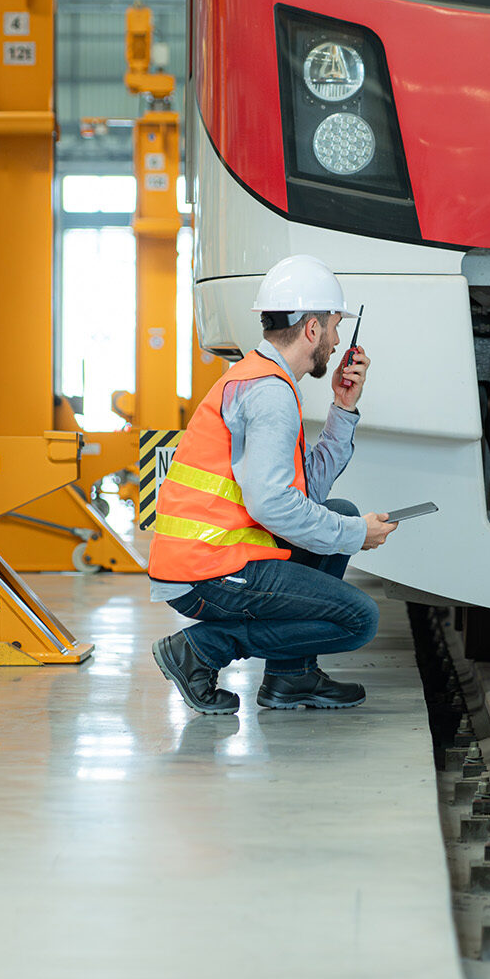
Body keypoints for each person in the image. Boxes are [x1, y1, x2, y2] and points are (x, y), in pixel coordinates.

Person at [147, 255, 399, 714]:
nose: (337, 341)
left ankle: (291, 676)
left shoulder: (267, 380)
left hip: (215, 556)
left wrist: (343, 407)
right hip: (209, 570)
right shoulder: (269, 393)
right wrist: (356, 535)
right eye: (335, 327)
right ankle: (201, 649)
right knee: (358, 620)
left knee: (339, 511)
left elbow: (308, 495)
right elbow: (273, 505)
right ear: (313, 330)